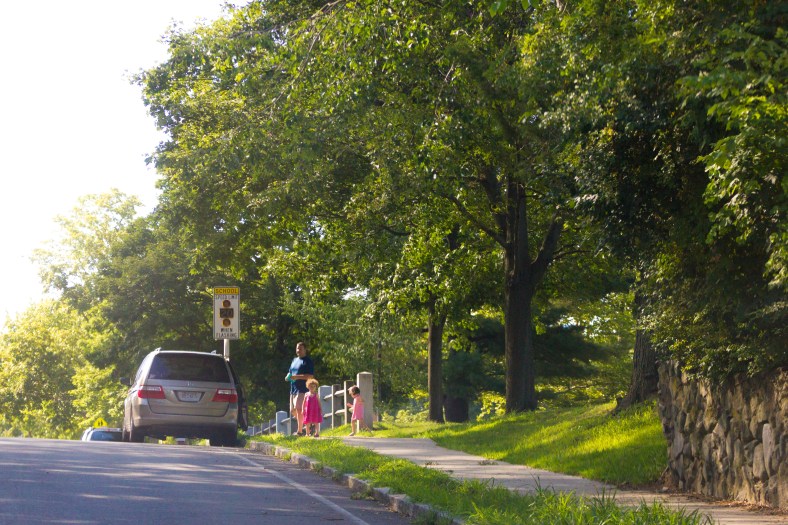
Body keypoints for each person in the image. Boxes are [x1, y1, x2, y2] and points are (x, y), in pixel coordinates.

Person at [286, 341, 314, 436]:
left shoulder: (307, 361)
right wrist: (288, 376)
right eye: (297, 348)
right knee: (292, 410)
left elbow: (310, 376)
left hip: (303, 389)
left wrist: (297, 377)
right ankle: (308, 425)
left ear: (305, 350)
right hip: (293, 388)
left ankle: (300, 431)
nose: (298, 350)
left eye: (300, 348)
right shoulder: (294, 360)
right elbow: (290, 372)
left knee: (298, 408)